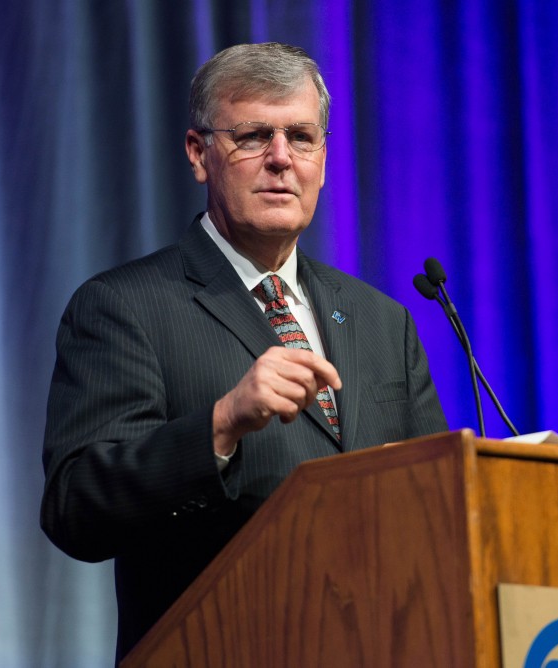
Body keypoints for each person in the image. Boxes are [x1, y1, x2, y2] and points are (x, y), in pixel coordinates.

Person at [39, 42, 447, 662]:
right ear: (200, 155)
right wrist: (220, 425)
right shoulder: (124, 307)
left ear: (324, 157)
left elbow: (437, 505)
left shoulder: (381, 320)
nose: (281, 159)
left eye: (302, 137)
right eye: (254, 136)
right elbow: (76, 508)